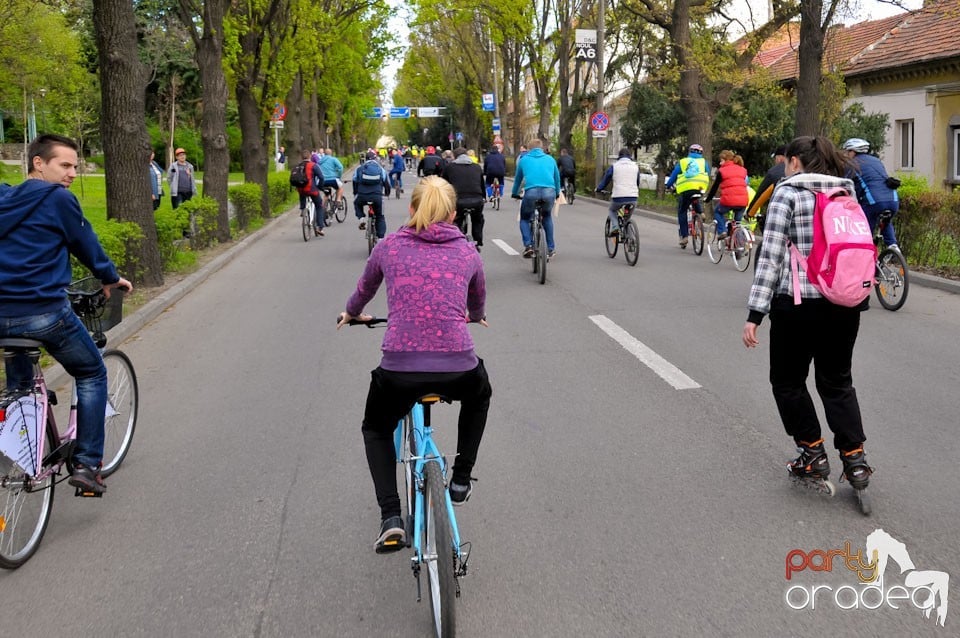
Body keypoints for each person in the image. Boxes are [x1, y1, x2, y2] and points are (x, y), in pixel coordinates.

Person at [337, 175, 491, 553]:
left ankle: (391, 516)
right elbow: (478, 297)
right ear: (454, 215)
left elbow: (363, 291)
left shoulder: (389, 247)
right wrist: (475, 315)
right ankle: (460, 478)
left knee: (375, 428)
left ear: (411, 209)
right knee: (480, 393)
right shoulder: (469, 252)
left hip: (399, 373)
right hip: (458, 368)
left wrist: (351, 313)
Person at [0, 134, 133, 494]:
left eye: (76, 165)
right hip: (41, 313)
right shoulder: (58, 199)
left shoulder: (4, 197)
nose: (73, 173)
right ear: (38, 163)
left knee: (21, 389)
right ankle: (88, 465)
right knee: (90, 372)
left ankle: (19, 449)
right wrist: (110, 277)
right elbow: (85, 244)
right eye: (65, 165)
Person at [742, 135, 872, 495]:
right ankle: (855, 457)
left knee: (787, 381)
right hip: (845, 304)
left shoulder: (788, 192)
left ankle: (812, 452)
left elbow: (770, 257)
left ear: (795, 162)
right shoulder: (846, 193)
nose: (783, 165)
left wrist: (756, 313)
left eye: (786, 160)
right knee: (837, 381)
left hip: (797, 305)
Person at [842, 138, 900, 250]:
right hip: (893, 200)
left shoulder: (852, 164)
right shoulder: (876, 160)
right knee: (886, 222)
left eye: (847, 152)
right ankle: (893, 247)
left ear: (852, 152)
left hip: (874, 202)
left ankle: (866, 258)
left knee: (863, 231)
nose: (846, 155)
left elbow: (845, 184)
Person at [511, 139, 561, 259]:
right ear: (542, 148)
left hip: (531, 192)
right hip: (549, 192)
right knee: (547, 216)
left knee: (525, 218)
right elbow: (557, 178)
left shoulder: (524, 160)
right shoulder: (550, 159)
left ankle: (528, 246)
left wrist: (514, 193)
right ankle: (550, 248)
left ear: (528, 149)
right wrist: (557, 193)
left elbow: (518, 179)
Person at [665, 143, 710, 248]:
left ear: (689, 152)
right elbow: (707, 173)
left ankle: (684, 236)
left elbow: (674, 175)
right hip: (700, 187)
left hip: (686, 189)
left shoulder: (683, 161)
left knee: (682, 211)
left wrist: (668, 185)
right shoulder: (704, 162)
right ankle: (701, 212)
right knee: (696, 197)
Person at [442, 147, 486, 250]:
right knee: (478, 219)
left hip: (458, 200)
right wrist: (483, 197)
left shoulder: (450, 167)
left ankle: (455, 241)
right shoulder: (477, 167)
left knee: (456, 219)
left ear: (455, 156)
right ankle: (478, 240)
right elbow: (482, 185)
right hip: (477, 199)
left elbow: (444, 184)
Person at [595, 148, 640, 236]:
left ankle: (615, 227)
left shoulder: (614, 166)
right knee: (627, 219)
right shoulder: (635, 166)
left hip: (618, 197)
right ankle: (631, 241)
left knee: (612, 210)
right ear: (630, 157)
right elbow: (637, 181)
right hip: (633, 197)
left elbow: (606, 180)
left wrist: (599, 189)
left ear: (619, 156)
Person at [704, 150, 749, 239]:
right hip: (743, 201)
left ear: (725, 159)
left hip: (729, 200)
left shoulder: (722, 171)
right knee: (737, 224)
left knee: (718, 212)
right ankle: (739, 245)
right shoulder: (742, 169)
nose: (720, 163)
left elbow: (715, 187)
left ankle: (722, 231)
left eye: (721, 161)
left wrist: (708, 199)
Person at [353, 150, 391, 237]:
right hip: (377, 196)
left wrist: (356, 193)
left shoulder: (359, 169)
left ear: (365, 159)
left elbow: (355, 182)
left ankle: (361, 218)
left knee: (357, 203)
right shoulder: (381, 169)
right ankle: (381, 238)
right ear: (375, 159)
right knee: (380, 217)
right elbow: (387, 183)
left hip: (362, 196)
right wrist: (387, 193)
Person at [746, 145, 787, 222]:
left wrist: (750, 213)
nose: (775, 161)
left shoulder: (773, 172)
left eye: (775, 158)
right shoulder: (803, 169)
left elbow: (761, 194)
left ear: (780, 157)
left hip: (779, 213)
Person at [295, 150, 325, 236]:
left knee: (302, 193)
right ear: (310, 157)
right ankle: (320, 227)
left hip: (301, 189)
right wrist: (320, 187)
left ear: (301, 157)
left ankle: (303, 209)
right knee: (319, 206)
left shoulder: (298, 166)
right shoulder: (314, 165)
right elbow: (321, 177)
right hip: (311, 189)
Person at [318, 148, 345, 215]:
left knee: (326, 194)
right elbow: (340, 167)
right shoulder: (333, 159)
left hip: (323, 181)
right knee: (340, 187)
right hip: (332, 179)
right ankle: (338, 200)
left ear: (324, 153)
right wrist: (339, 176)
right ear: (331, 153)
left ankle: (322, 208)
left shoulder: (320, 161)